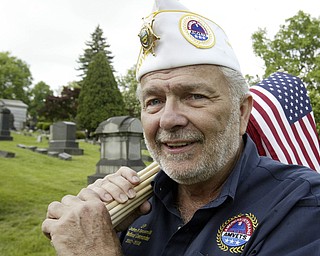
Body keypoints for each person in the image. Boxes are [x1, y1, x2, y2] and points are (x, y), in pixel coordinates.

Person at [42, 0, 320, 255]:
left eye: (194, 96)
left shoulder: (303, 207)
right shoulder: (134, 204)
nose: (168, 119)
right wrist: (105, 226)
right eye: (154, 101)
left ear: (241, 111)